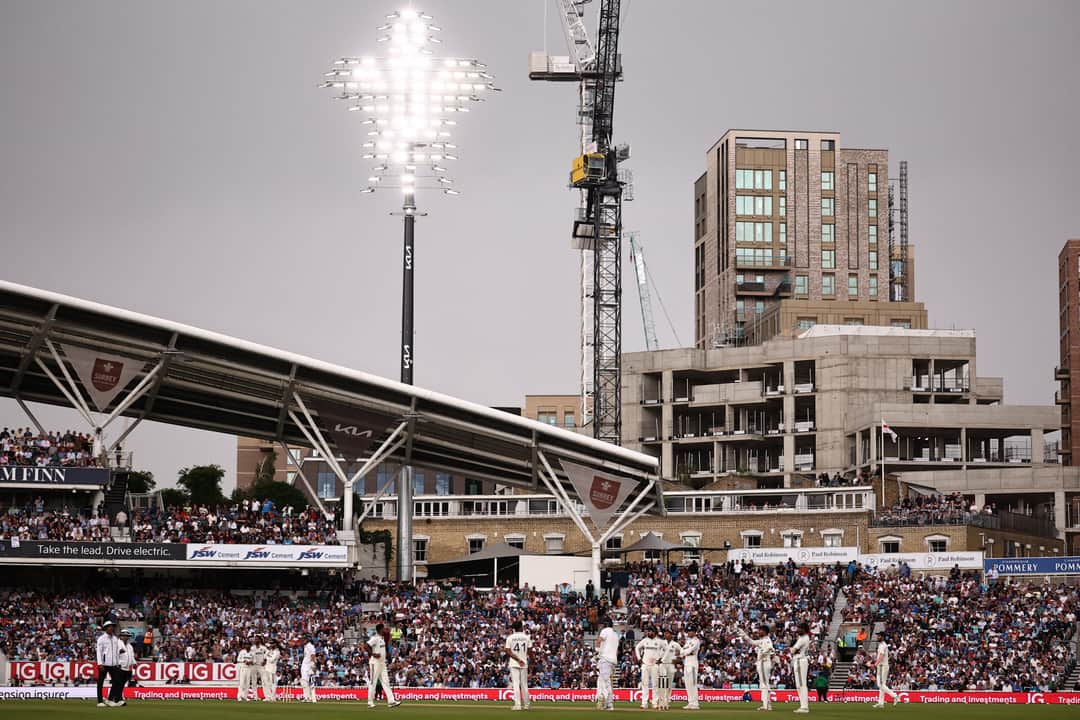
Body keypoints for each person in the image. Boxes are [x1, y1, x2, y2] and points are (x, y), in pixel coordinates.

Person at [737, 624, 774, 711]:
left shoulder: (767, 640)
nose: (758, 632)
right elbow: (752, 642)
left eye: (760, 630)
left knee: (764, 684)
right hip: (762, 663)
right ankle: (767, 704)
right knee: (764, 684)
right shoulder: (762, 640)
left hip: (764, 662)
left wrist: (763, 653)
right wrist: (744, 635)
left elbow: (770, 648)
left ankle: (766, 705)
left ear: (764, 632)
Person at [367, 623, 400, 708]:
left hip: (382, 663)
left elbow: (388, 635)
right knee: (373, 682)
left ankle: (391, 701)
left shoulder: (382, 637)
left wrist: (387, 654)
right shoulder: (375, 638)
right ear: (380, 630)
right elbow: (366, 646)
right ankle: (370, 702)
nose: (385, 629)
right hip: (375, 663)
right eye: (384, 628)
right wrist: (373, 654)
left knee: (386, 682)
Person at [504, 620, 532, 711]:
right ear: (521, 627)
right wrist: (527, 661)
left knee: (516, 684)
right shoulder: (526, 637)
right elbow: (530, 652)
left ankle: (518, 705)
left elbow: (508, 651)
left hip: (514, 663)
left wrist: (517, 659)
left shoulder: (510, 637)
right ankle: (527, 705)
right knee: (524, 685)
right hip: (523, 662)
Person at [634, 627, 663, 710]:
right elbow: (637, 648)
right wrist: (639, 658)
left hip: (654, 665)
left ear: (654, 632)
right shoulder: (645, 640)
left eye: (650, 631)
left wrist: (661, 659)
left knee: (655, 684)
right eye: (648, 631)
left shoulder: (659, 641)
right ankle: (644, 703)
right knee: (644, 684)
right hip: (645, 664)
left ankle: (654, 703)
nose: (648, 633)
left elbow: (666, 649)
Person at [595, 618, 619, 711]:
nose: (601, 626)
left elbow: (599, 640)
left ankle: (608, 703)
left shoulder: (605, 631)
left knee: (605, 682)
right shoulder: (615, 634)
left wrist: (597, 652)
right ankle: (606, 703)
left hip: (605, 658)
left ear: (605, 624)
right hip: (612, 660)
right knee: (604, 681)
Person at [869, 635, 900, 708]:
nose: (877, 637)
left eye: (879, 636)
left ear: (882, 637)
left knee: (880, 685)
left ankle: (895, 696)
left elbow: (882, 655)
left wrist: (875, 664)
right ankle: (881, 703)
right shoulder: (882, 645)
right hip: (881, 666)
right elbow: (881, 656)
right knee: (882, 685)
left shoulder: (882, 645)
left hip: (882, 666)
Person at [95, 620, 121, 708]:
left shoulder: (115, 638)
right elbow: (99, 652)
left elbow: (116, 651)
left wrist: (118, 662)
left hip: (114, 664)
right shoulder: (101, 639)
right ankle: (99, 701)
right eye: (110, 626)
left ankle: (109, 700)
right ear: (106, 628)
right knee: (100, 682)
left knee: (117, 681)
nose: (111, 628)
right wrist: (100, 663)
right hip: (104, 664)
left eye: (112, 626)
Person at [791, 622, 812, 714]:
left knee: (801, 685)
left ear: (804, 629)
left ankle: (804, 707)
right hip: (800, 660)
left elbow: (793, 650)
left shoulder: (803, 638)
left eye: (800, 628)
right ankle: (803, 706)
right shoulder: (803, 637)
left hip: (800, 660)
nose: (798, 630)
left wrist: (792, 648)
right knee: (800, 685)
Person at [658, 629, 681, 710]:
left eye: (667, 633)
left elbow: (682, 652)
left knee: (669, 684)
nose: (666, 635)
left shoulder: (675, 644)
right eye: (665, 633)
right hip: (662, 664)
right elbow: (657, 652)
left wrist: (677, 659)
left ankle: (667, 701)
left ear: (671, 635)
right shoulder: (661, 643)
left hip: (671, 665)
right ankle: (661, 701)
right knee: (662, 683)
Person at [681, 627, 701, 710]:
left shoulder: (696, 641)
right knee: (687, 684)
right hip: (686, 663)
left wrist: (684, 652)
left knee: (693, 684)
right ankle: (690, 702)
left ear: (694, 632)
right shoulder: (688, 641)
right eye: (688, 631)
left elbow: (689, 651)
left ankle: (695, 703)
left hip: (693, 663)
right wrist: (684, 652)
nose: (689, 633)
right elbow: (682, 650)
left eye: (690, 631)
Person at [250, 636, 268, 701]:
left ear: (260, 640)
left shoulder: (263, 648)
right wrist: (250, 661)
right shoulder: (252, 648)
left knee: (264, 681)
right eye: (255, 639)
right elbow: (250, 656)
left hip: (261, 665)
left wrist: (265, 661)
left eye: (257, 639)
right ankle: (255, 697)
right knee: (253, 681)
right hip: (254, 665)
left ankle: (267, 697)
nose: (255, 640)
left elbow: (267, 654)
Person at [300, 639, 317, 703]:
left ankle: (309, 698)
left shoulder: (310, 646)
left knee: (306, 682)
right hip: (305, 666)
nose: (302, 640)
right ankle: (307, 697)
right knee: (304, 682)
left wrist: (312, 664)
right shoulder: (305, 646)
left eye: (303, 639)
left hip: (308, 666)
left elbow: (313, 655)